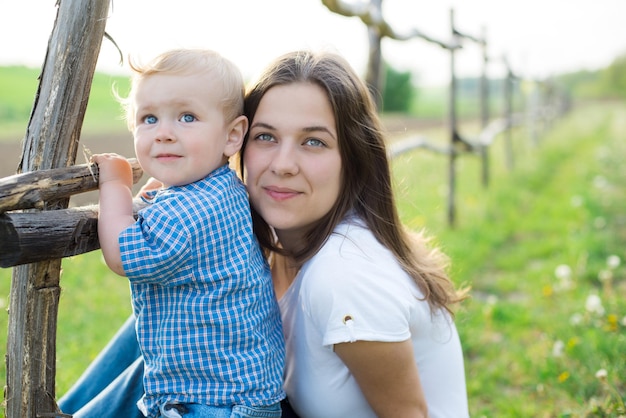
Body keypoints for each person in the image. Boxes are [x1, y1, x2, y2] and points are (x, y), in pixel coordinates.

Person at [59, 49, 469, 418]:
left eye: (313, 142)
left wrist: (114, 189)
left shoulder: (343, 277)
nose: (283, 163)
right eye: (266, 137)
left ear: (354, 157)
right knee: (163, 319)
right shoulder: (260, 240)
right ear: (239, 142)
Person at [88, 48, 285, 418]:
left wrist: (115, 185)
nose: (163, 133)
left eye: (187, 117)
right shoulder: (222, 187)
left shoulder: (187, 213)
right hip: (242, 393)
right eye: (148, 118)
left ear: (232, 136)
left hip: (209, 403)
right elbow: (166, 202)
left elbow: (121, 253)